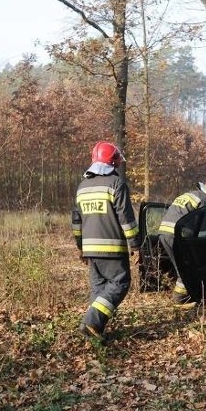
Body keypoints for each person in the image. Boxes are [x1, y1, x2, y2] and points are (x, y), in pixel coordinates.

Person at [72, 141, 140, 344]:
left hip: (90, 249)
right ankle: (91, 322)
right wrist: (135, 246)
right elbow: (126, 219)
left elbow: (76, 221)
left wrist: (80, 246)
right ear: (112, 163)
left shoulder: (82, 186)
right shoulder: (116, 184)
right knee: (120, 283)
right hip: (112, 247)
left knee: (99, 288)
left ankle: (94, 330)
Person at [157, 180, 206, 305]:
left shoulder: (193, 194)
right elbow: (203, 233)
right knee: (187, 267)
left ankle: (184, 296)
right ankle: (181, 298)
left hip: (164, 232)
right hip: (176, 235)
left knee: (181, 266)